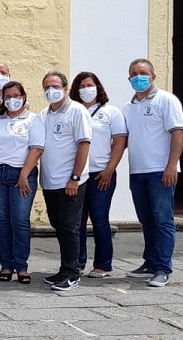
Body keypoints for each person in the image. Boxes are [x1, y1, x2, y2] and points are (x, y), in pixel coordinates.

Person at [122, 58, 183, 287]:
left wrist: (171, 165)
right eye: (134, 73)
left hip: (161, 171)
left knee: (163, 220)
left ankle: (162, 267)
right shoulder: (128, 107)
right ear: (129, 79)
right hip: (137, 171)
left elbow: (177, 133)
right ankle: (149, 262)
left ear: (153, 76)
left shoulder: (166, 100)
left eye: (143, 72)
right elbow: (123, 139)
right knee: (146, 220)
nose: (139, 77)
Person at [0, 81, 44, 284]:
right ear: (2, 98)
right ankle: (6, 265)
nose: (12, 100)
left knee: (20, 221)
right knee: (3, 222)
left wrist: (24, 175)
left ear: (23, 97)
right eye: (8, 96)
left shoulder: (33, 120)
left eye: (17, 95)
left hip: (21, 175)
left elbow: (36, 149)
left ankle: (21, 266)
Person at [38, 71, 92, 291]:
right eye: (47, 87)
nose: (51, 90)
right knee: (58, 225)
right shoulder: (44, 114)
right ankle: (64, 268)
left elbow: (84, 144)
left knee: (70, 227)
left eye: (55, 86)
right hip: (50, 181)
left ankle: (72, 273)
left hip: (70, 181)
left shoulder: (77, 111)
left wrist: (75, 177)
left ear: (65, 88)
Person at [70, 71, 127, 279]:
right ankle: (77, 262)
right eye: (82, 86)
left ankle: (103, 264)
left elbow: (120, 141)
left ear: (98, 87)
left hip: (101, 174)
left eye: (89, 85)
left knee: (99, 218)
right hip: (78, 175)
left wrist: (109, 169)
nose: (86, 89)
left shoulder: (111, 112)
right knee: (77, 221)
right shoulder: (73, 111)